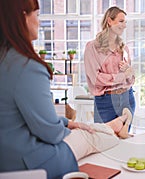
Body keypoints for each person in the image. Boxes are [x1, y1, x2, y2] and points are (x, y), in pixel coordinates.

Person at [0, 1, 120, 179]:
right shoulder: (27, 66)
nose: (39, 22)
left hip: (7, 154)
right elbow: (51, 133)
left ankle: (112, 126)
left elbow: (18, 116)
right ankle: (114, 128)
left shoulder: (6, 59)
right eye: (38, 15)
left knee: (84, 128)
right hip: (26, 162)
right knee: (96, 137)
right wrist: (67, 129)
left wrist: (66, 122)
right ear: (23, 16)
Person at [84, 6, 135, 138]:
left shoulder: (124, 48)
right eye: (121, 21)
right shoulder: (92, 47)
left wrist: (129, 74)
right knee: (103, 141)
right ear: (109, 21)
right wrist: (121, 76)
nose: (124, 26)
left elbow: (131, 77)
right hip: (105, 101)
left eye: (125, 22)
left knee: (123, 143)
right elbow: (95, 78)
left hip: (127, 98)